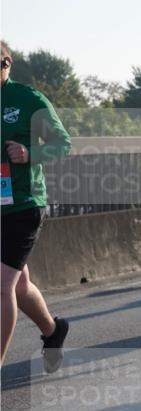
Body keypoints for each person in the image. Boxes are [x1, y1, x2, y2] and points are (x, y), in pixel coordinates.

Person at [0, 40, 72, 369]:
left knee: (2, 285)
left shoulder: (27, 99)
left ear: (7, 62)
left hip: (22, 205)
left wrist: (30, 154)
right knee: (19, 285)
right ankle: (53, 330)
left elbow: (62, 143)